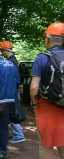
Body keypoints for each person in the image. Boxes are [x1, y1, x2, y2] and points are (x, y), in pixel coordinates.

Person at [30, 22, 64, 159]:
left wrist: (34, 101)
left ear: (47, 39)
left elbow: (33, 87)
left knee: (46, 144)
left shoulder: (42, 58)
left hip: (46, 107)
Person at [0, 41, 26, 143]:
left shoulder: (11, 62)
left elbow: (12, 77)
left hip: (10, 90)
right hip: (12, 90)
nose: (2, 53)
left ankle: (19, 135)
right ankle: (3, 130)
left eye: (2, 51)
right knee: (9, 111)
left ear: (6, 50)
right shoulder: (12, 60)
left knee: (12, 111)